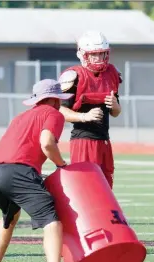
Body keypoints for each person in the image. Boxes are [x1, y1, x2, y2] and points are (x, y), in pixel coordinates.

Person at [0, 79, 90, 262]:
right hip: (18, 171)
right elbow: (47, 143)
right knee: (52, 220)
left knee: (9, 218)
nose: (61, 103)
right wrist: (61, 164)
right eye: (59, 99)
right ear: (53, 99)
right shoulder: (53, 114)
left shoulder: (21, 116)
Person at [58, 30, 122, 188]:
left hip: (105, 141)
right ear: (83, 54)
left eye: (102, 54)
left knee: (106, 187)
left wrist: (115, 105)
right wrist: (84, 116)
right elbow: (60, 111)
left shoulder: (111, 73)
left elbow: (116, 112)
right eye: (94, 54)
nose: (99, 58)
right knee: (86, 187)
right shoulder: (74, 76)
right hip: (83, 141)